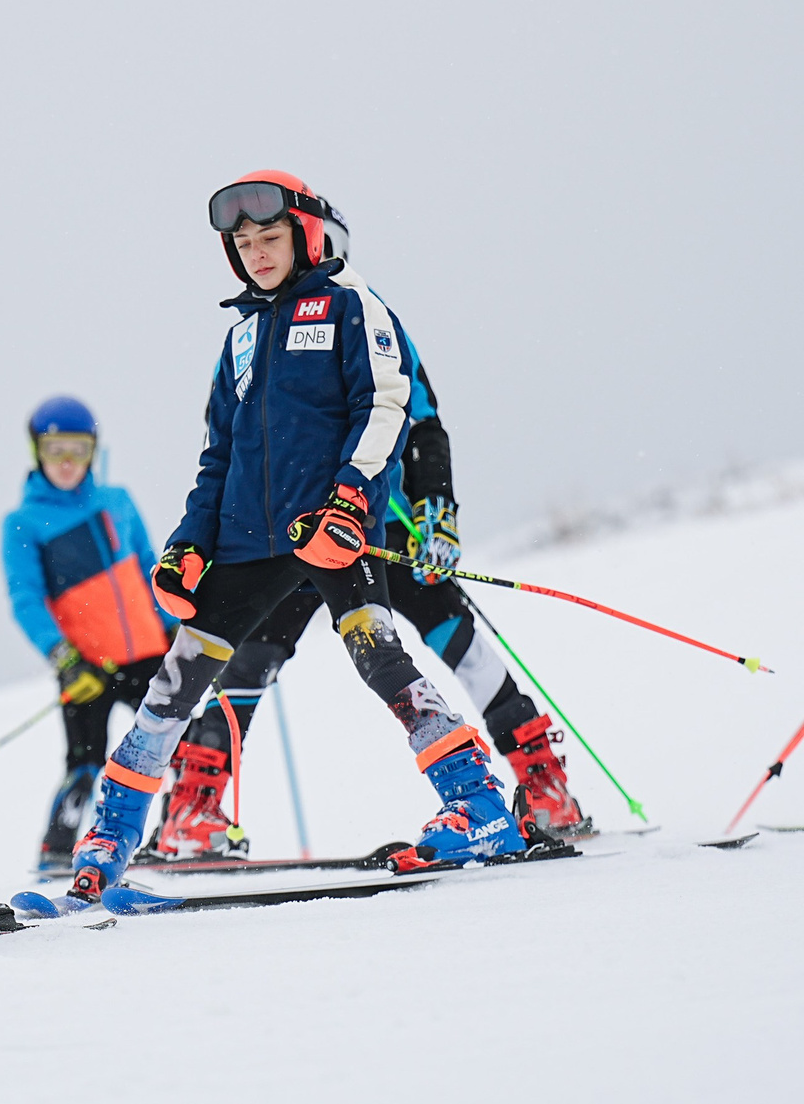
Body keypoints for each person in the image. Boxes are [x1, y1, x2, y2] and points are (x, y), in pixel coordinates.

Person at [64, 170, 537, 903]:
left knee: (380, 657)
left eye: (269, 237)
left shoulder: (351, 304)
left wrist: (351, 500)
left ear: (305, 236)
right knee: (177, 679)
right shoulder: (240, 335)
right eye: (243, 243)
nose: (256, 253)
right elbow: (219, 455)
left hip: (329, 531)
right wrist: (190, 542)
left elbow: (387, 406)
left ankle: (478, 805)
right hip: (245, 543)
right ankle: (114, 835)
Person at [150, 282, 591, 860]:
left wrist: (436, 507)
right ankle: (193, 804)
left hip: (378, 526)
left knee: (455, 639)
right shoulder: (253, 333)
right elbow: (231, 444)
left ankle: (542, 784)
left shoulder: (363, 313)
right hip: (285, 534)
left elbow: (421, 422)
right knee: (250, 659)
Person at [0, 396, 173, 878]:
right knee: (85, 761)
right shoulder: (23, 522)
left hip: (148, 655)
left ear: (94, 450)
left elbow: (148, 565)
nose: (67, 462)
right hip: (86, 667)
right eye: (55, 450)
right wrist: (64, 658)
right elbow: (26, 599)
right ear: (36, 451)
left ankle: (176, 834)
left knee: (175, 746)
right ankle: (58, 851)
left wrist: (172, 623)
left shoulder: (116, 501)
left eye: (78, 449)